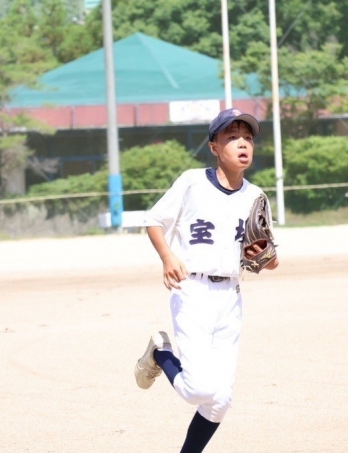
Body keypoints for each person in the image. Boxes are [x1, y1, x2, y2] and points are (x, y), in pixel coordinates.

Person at [134, 108, 279, 452]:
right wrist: (168, 257)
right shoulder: (192, 182)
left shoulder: (256, 196)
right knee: (198, 389)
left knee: (221, 400)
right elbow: (154, 221)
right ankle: (160, 354)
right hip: (193, 291)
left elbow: (271, 261)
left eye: (248, 138)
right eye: (232, 137)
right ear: (214, 147)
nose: (242, 144)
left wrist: (262, 253)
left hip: (231, 297)